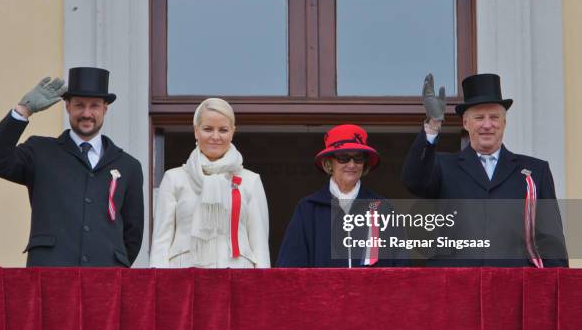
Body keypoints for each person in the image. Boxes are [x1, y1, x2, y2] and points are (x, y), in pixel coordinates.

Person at [0, 67, 144, 267]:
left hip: (105, 280)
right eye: (79, 105)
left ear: (105, 109)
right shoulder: (40, 151)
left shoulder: (128, 166)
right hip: (50, 275)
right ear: (67, 107)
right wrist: (23, 110)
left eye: (94, 106)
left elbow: (132, 234)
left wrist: (113, 266)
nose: (86, 113)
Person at [401, 73, 568, 267]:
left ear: (504, 123)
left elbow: (550, 239)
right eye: (479, 117)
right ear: (466, 123)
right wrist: (432, 125)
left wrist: (559, 288)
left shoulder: (535, 171)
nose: (487, 125)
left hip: (514, 286)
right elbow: (413, 181)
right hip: (455, 286)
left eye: (494, 117)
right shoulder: (442, 166)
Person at [150, 98, 270, 268]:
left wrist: (261, 289)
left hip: (238, 276)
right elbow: (161, 243)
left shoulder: (250, 181)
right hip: (183, 277)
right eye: (207, 129)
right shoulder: (174, 178)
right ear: (196, 131)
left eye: (223, 130)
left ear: (232, 132)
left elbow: (260, 246)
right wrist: (159, 286)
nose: (215, 136)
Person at [277, 124, 409, 267]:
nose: (352, 164)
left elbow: (402, 268)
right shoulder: (308, 209)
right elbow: (290, 268)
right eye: (343, 157)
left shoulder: (384, 208)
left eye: (358, 158)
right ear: (329, 163)